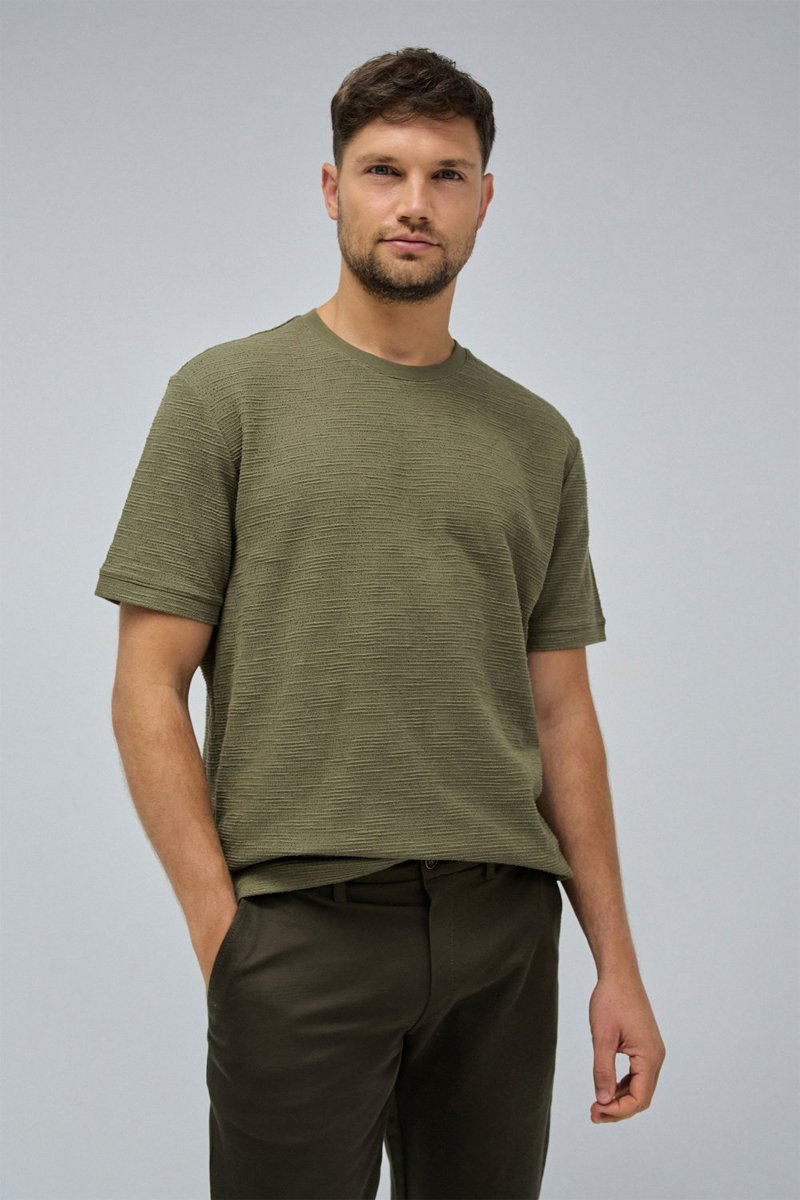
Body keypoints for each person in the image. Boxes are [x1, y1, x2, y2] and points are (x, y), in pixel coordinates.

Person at [94, 45, 665, 1200]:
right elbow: (147, 684)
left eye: (445, 175)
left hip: (502, 935)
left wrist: (615, 964)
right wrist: (224, 937)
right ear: (331, 188)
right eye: (382, 171)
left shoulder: (535, 439)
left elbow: (561, 713)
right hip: (300, 929)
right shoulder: (224, 398)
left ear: (483, 200)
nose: (414, 203)